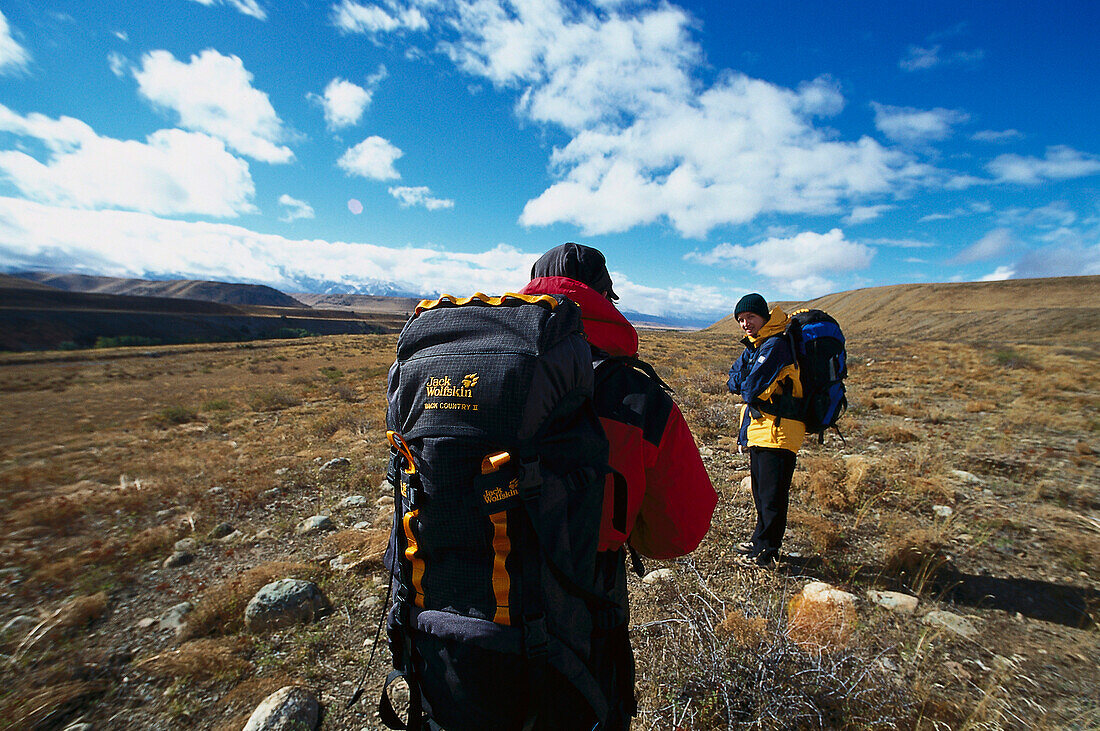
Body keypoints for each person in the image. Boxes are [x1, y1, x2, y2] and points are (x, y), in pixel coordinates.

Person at [519, 242, 718, 729]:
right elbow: (681, 529)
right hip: (584, 602)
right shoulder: (637, 397)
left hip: (457, 604)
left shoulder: (480, 371)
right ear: (607, 299)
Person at [726, 292, 805, 568]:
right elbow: (733, 380)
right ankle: (760, 541)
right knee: (761, 492)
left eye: (751, 317)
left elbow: (747, 388)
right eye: (741, 319)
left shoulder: (776, 345)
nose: (745, 324)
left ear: (764, 317)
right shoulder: (755, 346)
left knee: (772, 495)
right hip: (761, 428)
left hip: (780, 430)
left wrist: (746, 381)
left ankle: (767, 552)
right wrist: (746, 379)